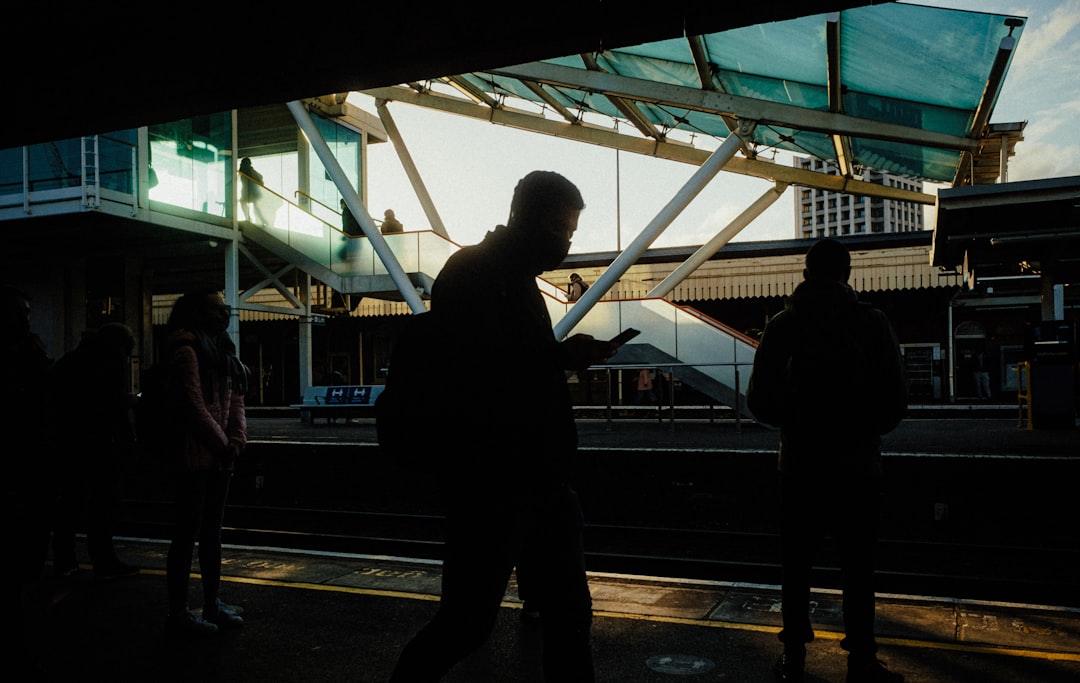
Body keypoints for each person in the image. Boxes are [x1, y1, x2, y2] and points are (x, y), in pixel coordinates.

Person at [388, 171, 616, 682]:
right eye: (561, 230)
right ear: (527, 220)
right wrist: (557, 359)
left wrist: (557, 357)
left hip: (538, 477)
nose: (566, 243)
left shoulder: (503, 276)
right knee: (468, 624)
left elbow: (508, 362)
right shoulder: (476, 275)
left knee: (562, 617)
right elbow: (481, 375)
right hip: (493, 481)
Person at [746, 238, 907, 683]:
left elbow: (759, 399)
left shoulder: (783, 325)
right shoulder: (871, 323)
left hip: (798, 465)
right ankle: (861, 659)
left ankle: (794, 656)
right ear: (847, 274)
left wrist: (798, 422)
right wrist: (859, 426)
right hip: (858, 466)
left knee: (796, 562)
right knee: (858, 565)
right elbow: (895, 399)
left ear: (805, 273)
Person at [161, 287, 249, 637]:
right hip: (193, 457)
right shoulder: (186, 350)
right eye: (215, 309)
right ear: (197, 312)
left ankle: (212, 603)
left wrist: (236, 440)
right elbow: (193, 406)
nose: (223, 314)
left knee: (211, 534)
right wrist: (224, 443)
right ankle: (179, 611)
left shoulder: (223, 350)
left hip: (219, 457)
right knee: (188, 535)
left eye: (224, 308)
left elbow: (237, 399)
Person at [48, 323, 141, 579]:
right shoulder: (110, 363)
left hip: (70, 444)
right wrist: (130, 402)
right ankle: (103, 560)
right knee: (102, 508)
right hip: (100, 445)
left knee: (70, 504)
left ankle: (65, 560)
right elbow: (110, 405)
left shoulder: (71, 361)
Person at [238, 157, 268, 225]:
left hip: (251, 191)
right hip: (249, 191)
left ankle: (254, 219)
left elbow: (260, 178)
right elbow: (260, 178)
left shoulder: (246, 171)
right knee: (253, 205)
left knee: (249, 204)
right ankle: (260, 219)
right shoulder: (244, 171)